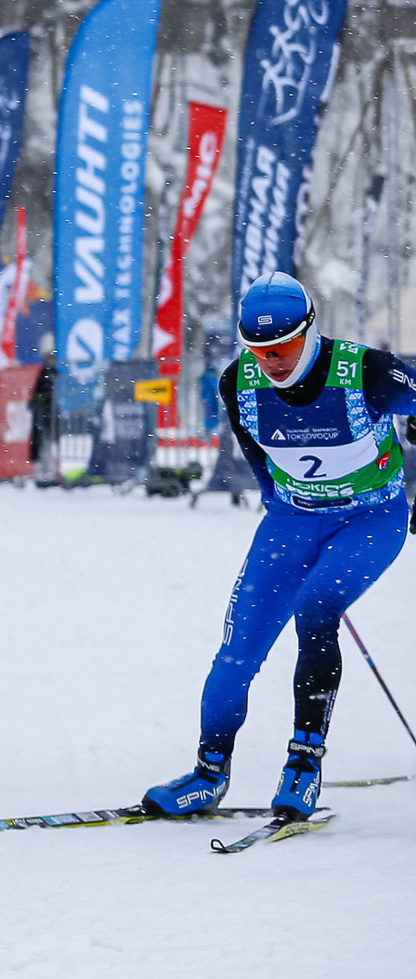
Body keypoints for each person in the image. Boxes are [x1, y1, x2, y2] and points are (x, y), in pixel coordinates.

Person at [143, 274, 414, 826]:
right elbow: (258, 459)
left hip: (371, 518)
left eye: (286, 346)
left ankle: (304, 765)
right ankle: (207, 774)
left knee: (317, 610)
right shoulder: (236, 383)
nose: (273, 360)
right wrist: (286, 503)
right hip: (293, 521)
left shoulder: (367, 371)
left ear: (310, 330)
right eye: (260, 349)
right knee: (236, 649)